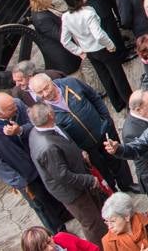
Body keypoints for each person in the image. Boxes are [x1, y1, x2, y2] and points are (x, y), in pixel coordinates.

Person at [0, 93, 70, 234]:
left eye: (14, 104)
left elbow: (35, 123)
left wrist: (20, 130)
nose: (15, 108)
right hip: (24, 175)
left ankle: (66, 214)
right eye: (11, 108)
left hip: (40, 160)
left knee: (55, 191)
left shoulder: (18, 104)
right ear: (0, 113)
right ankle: (59, 233)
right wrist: (18, 181)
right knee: (41, 205)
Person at [26, 103, 106, 245]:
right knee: (92, 224)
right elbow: (63, 175)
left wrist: (79, 152)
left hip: (78, 179)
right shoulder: (47, 147)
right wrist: (88, 180)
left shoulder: (45, 128)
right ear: (50, 115)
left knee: (98, 214)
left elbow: (65, 142)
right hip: (73, 193)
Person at [59, 0, 132, 112]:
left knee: (104, 77)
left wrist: (79, 51)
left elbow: (64, 40)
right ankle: (129, 101)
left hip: (88, 51)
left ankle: (117, 103)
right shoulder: (88, 13)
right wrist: (110, 45)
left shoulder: (66, 17)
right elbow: (98, 34)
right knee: (117, 75)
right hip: (102, 48)